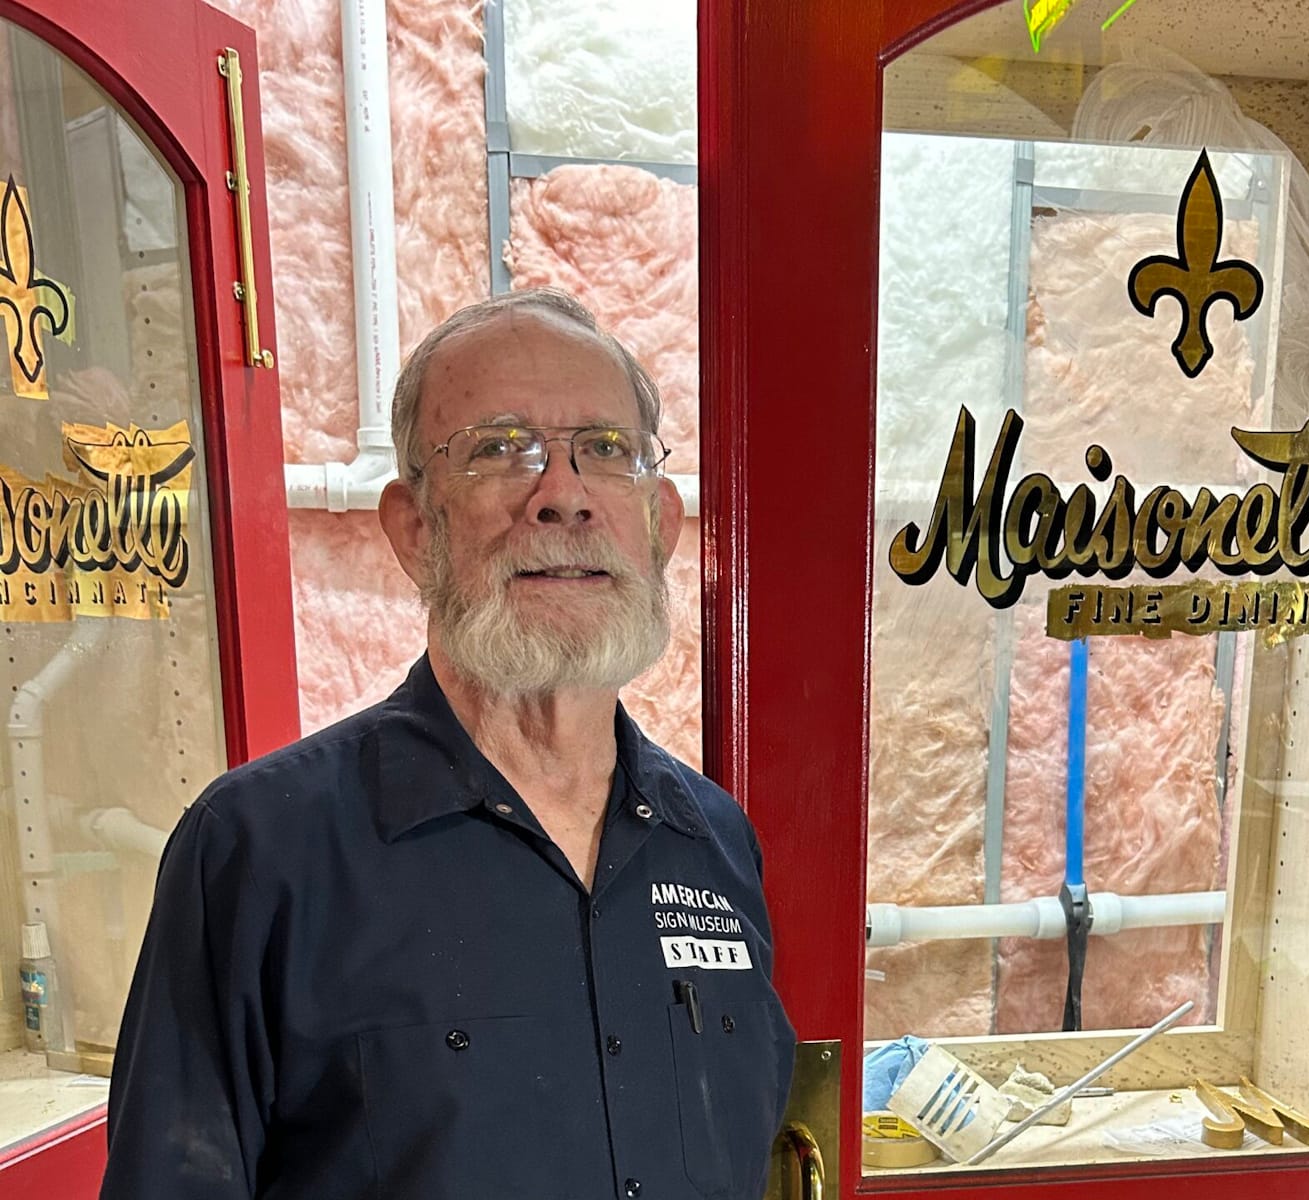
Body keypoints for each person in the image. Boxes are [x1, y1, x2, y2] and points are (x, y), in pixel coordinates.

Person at [101, 288, 797, 1200]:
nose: (564, 496)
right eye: (500, 449)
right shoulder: (259, 849)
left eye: (605, 449)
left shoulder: (713, 842)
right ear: (414, 530)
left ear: (660, 523)